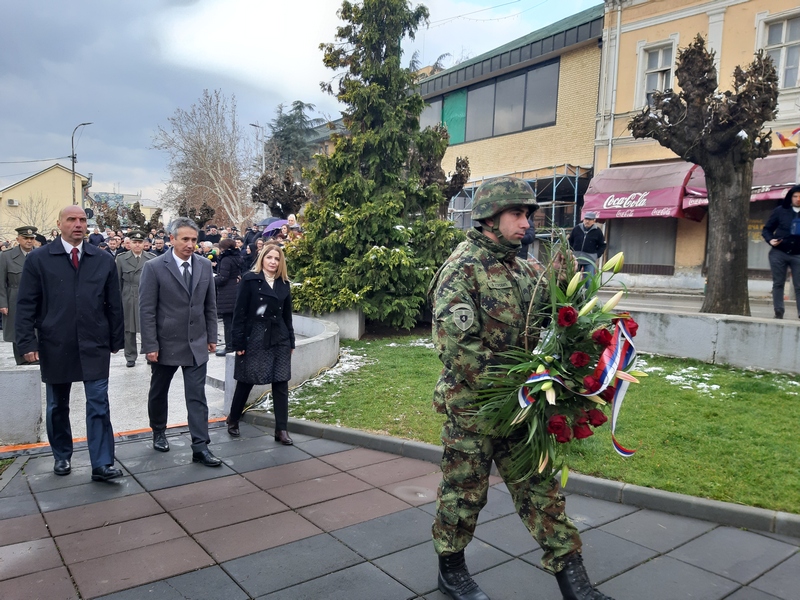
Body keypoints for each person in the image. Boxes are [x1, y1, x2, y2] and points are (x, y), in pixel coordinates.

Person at [429, 176, 612, 600]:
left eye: (529, 214)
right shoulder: (462, 269)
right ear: (490, 218)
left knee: (541, 491)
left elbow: (551, 324)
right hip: (473, 410)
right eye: (518, 214)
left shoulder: (527, 269)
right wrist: (514, 387)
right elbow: (458, 349)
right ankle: (451, 571)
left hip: (523, 410)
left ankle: (575, 582)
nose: (526, 222)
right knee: (463, 493)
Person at [16, 206, 124, 482]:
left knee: (98, 402)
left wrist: (116, 338)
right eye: (72, 220)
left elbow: (114, 303)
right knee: (57, 405)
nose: (78, 224)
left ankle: (101, 463)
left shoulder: (102, 260)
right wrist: (27, 343)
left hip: (94, 342)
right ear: (59, 224)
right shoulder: (39, 259)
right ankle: (62, 454)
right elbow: (26, 304)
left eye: (82, 220)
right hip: (56, 343)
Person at [138, 217, 222, 467]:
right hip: (165, 343)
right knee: (159, 391)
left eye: (194, 240)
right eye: (184, 239)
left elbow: (210, 304)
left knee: (197, 396)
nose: (190, 244)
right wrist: (150, 345)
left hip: (196, 343)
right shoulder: (154, 267)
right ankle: (158, 430)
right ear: (171, 239)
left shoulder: (204, 266)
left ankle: (200, 446)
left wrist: (211, 336)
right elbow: (146, 310)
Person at [227, 243, 295, 443]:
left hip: (279, 336)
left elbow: (287, 315)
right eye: (269, 258)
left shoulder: (284, 283)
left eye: (277, 258)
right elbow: (239, 313)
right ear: (262, 259)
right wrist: (238, 343)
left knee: (281, 382)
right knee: (247, 379)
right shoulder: (249, 280)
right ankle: (233, 418)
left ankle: (281, 429)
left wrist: (291, 340)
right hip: (255, 335)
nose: (273, 262)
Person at [116, 230, 155, 367]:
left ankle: (150, 353)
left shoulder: (151, 258)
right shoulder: (121, 259)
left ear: (144, 243)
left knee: (148, 325)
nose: (137, 245)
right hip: (128, 295)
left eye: (140, 242)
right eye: (134, 242)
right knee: (129, 328)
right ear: (129, 243)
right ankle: (130, 356)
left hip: (146, 295)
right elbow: (118, 282)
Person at [0, 226, 38, 364]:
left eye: (31, 238)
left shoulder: (40, 254)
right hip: (14, 297)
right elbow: (1, 281)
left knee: (37, 329)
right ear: (18, 239)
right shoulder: (6, 256)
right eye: (25, 238)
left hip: (37, 298)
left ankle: (37, 358)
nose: (29, 241)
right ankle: (22, 360)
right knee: (18, 331)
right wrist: (2, 303)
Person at [762, 185, 800, 319]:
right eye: (795, 196)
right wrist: (770, 240)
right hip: (779, 252)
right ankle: (778, 311)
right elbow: (766, 229)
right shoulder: (780, 211)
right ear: (790, 198)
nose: (798, 199)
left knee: (799, 285)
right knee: (778, 283)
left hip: (798, 254)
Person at [214, 238, 243, 356]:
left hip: (227, 294)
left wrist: (211, 279)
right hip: (236, 291)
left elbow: (223, 278)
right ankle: (234, 345)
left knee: (228, 323)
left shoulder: (226, 259)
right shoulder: (237, 257)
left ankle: (229, 346)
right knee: (234, 321)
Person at [568, 211, 606, 277]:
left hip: (589, 260)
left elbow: (602, 245)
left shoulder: (598, 231)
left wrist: (596, 255)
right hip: (575, 258)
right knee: (572, 279)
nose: (587, 221)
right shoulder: (577, 228)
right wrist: (570, 251)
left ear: (594, 221)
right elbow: (569, 241)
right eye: (586, 219)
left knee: (589, 280)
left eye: (590, 219)